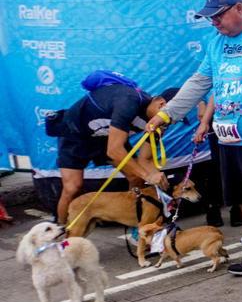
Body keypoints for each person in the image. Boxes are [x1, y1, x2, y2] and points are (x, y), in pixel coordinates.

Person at [148, 0, 242, 291]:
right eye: (210, 18)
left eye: (218, 16)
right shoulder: (217, 42)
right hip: (229, 134)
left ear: (239, 9)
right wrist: (167, 115)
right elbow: (200, 82)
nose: (213, 23)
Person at [50, 73, 172, 224]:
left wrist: (155, 176)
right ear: (160, 103)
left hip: (106, 136)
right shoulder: (129, 101)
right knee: (72, 188)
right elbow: (114, 151)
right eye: (170, 116)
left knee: (136, 176)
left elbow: (145, 159)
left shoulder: (162, 121)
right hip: (75, 134)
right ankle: (59, 231)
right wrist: (148, 176)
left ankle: (137, 224)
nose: (168, 122)